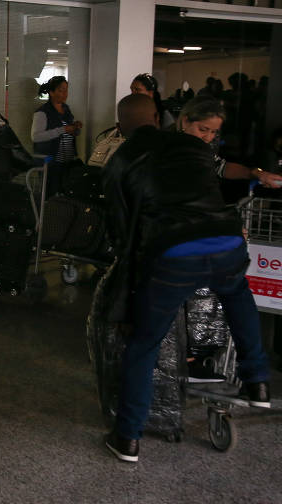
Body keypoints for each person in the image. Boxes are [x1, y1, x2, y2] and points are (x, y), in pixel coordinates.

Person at [101, 94, 271, 463]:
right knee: (238, 296)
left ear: (121, 127)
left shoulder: (121, 160)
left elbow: (119, 227)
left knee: (144, 343)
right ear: (160, 117)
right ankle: (257, 380)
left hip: (174, 252)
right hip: (226, 239)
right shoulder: (194, 148)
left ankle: (128, 437)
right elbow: (215, 180)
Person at [176, 96, 282, 188]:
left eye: (214, 132)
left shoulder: (201, 149)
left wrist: (256, 173)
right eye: (203, 129)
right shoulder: (168, 146)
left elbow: (221, 167)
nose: (208, 138)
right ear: (185, 122)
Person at [31, 75, 82, 196]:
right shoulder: (42, 112)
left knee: (66, 194)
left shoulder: (66, 109)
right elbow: (36, 136)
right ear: (51, 92)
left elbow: (69, 132)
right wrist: (63, 129)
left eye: (66, 90)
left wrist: (75, 129)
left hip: (68, 160)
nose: (65, 93)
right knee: (51, 193)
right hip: (50, 162)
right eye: (61, 90)